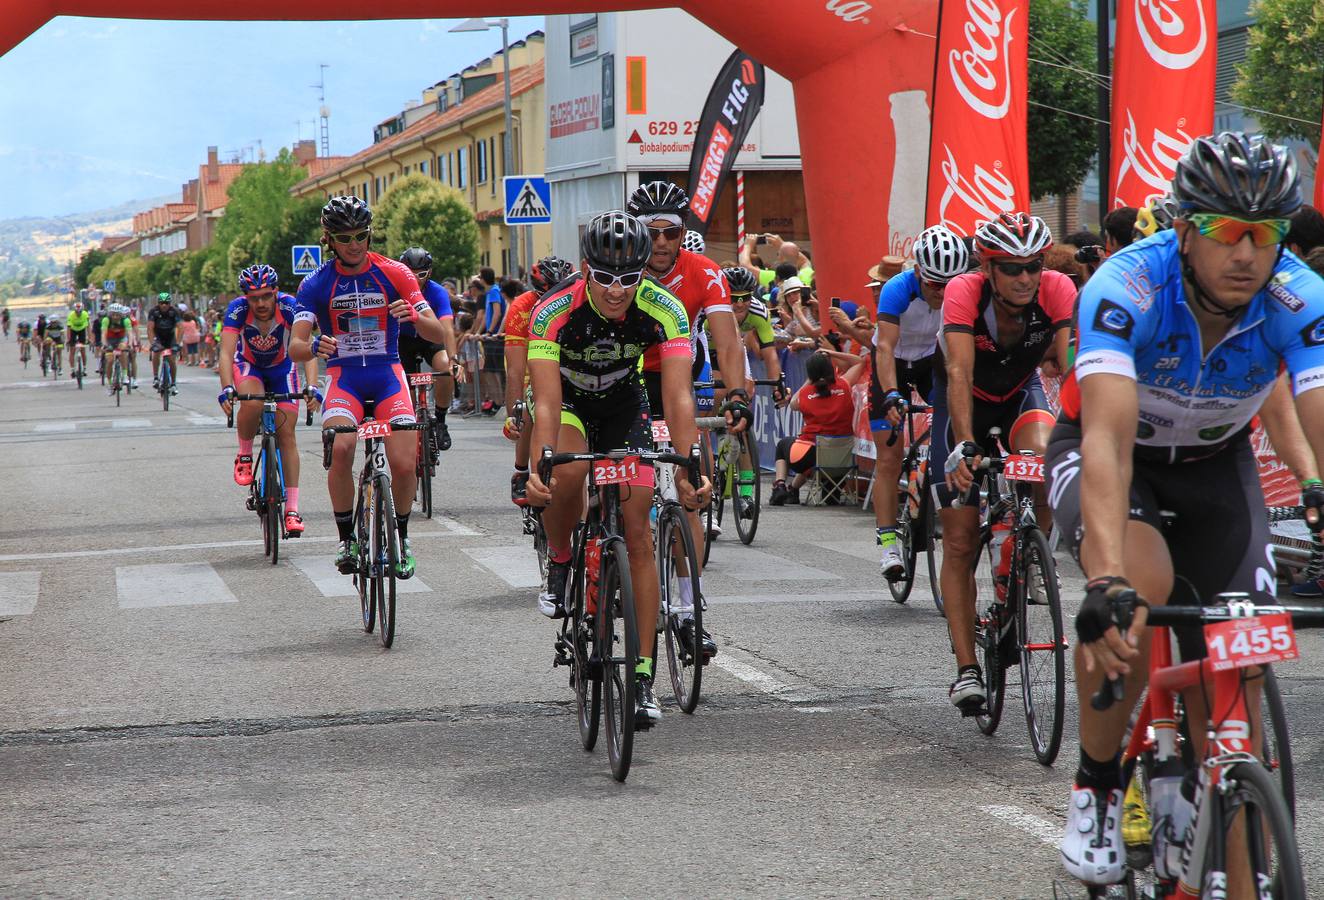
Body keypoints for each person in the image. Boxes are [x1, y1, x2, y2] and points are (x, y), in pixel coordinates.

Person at [1049, 132, 1324, 890]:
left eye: (1264, 234)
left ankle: (1236, 858)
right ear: (1183, 228)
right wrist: (1104, 579)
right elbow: (1105, 442)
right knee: (1140, 592)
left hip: (1214, 468)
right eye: (1224, 231)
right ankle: (1098, 785)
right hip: (1119, 461)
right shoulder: (1125, 285)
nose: (1246, 253)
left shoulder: (1298, 295)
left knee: (1233, 673)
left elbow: (1317, 407)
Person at [523, 211, 710, 727]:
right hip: (569, 401)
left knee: (638, 531)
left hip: (627, 404)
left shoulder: (664, 309)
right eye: (604, 278)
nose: (616, 291)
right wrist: (541, 461)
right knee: (567, 473)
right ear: (588, 268)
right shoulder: (553, 311)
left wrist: (691, 464)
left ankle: (644, 678)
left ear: (642, 273)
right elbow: (544, 403)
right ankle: (561, 557)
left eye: (629, 279)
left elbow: (676, 396)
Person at [937, 212, 1074, 714]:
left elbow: (1073, 366)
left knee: (1046, 454)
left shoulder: (1058, 288)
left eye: (1032, 266)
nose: (1024, 278)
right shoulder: (963, 293)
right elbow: (957, 370)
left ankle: (1034, 549)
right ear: (988, 269)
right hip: (963, 400)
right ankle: (967, 669)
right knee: (958, 539)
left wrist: (1089, 432)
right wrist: (964, 444)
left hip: (1019, 394)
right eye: (1011, 268)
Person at [288, 196, 447, 580]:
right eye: (345, 238)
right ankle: (347, 539)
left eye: (361, 235)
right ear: (329, 239)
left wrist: (413, 315)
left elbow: (437, 331)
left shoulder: (396, 273)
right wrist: (313, 347)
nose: (355, 244)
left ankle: (403, 536)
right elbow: (295, 347)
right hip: (345, 379)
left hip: (388, 375)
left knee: (406, 462)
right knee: (342, 448)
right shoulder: (315, 283)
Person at [626, 181, 749, 659]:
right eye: (651, 232)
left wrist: (736, 393)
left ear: (682, 234)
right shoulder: (620, 266)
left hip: (679, 379)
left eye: (670, 233)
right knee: (616, 485)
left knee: (689, 489)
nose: (660, 242)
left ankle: (686, 607)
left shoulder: (704, 271)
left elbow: (728, 339)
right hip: (626, 376)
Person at [868, 225, 968, 576]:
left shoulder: (960, 292)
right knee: (890, 457)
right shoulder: (897, 289)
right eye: (934, 284)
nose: (942, 293)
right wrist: (892, 395)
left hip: (929, 362)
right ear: (917, 273)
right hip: (892, 362)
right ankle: (887, 545)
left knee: (955, 428)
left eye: (949, 285)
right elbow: (884, 347)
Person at [217, 264, 322, 535]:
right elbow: (227, 354)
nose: (261, 303)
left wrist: (312, 386)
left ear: (275, 291)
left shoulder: (290, 307)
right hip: (249, 366)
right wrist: (227, 388)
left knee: (287, 435)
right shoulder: (237, 310)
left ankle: (293, 510)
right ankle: (244, 454)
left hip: (282, 369)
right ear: (245, 297)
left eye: (266, 295)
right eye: (254, 297)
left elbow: (308, 348)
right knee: (253, 401)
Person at [503, 255, 576, 505]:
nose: (550, 300)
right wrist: (513, 413)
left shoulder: (578, 299)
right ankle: (522, 472)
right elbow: (515, 369)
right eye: (544, 293)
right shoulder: (521, 307)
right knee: (529, 407)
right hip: (534, 366)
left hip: (569, 367)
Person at [772, 350, 867, 504]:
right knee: (819, 455)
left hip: (810, 454)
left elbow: (793, 403)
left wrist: (810, 379)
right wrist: (831, 352)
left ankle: (780, 486)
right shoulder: (844, 385)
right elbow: (859, 362)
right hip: (842, 457)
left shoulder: (806, 394)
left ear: (811, 374)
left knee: (784, 444)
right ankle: (793, 489)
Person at [397, 248, 460, 453]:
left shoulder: (437, 292)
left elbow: (447, 328)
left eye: (421, 274)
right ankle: (410, 430)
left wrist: (453, 359)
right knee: (407, 390)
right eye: (409, 273)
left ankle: (440, 420)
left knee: (443, 366)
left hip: (429, 339)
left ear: (429, 273)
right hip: (401, 341)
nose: (415, 279)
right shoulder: (393, 289)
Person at [739, 231, 814, 288]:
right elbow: (804, 261)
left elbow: (744, 267)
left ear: (781, 258)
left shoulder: (774, 277)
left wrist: (747, 245)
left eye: (778, 254)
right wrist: (782, 244)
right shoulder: (807, 275)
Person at [147, 292, 181, 394]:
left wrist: (178, 343)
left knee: (171, 359)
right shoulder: (154, 312)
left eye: (166, 303)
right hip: (158, 337)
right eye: (162, 303)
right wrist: (153, 342)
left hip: (170, 337)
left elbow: (181, 328)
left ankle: (174, 384)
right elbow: (150, 329)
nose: (164, 305)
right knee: (156, 354)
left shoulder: (174, 311)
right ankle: (156, 377)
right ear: (158, 303)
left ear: (170, 303)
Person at [66, 301, 91, 373]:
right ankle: (72, 369)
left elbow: (88, 327)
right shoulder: (71, 315)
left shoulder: (85, 314)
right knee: (72, 350)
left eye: (80, 312)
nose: (78, 314)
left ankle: (84, 368)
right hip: (73, 330)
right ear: (74, 311)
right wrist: (68, 339)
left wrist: (89, 338)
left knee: (83, 350)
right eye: (77, 312)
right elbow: (68, 328)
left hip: (82, 330)